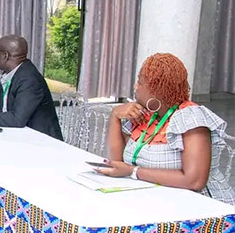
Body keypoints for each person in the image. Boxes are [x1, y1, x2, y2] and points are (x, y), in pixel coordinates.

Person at [93, 53, 234, 205]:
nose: (135, 87)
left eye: (140, 82)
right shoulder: (146, 114)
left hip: (198, 207)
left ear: (156, 90)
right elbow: (118, 163)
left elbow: (194, 181)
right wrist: (115, 115)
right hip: (154, 200)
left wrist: (133, 171)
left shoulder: (191, 118)